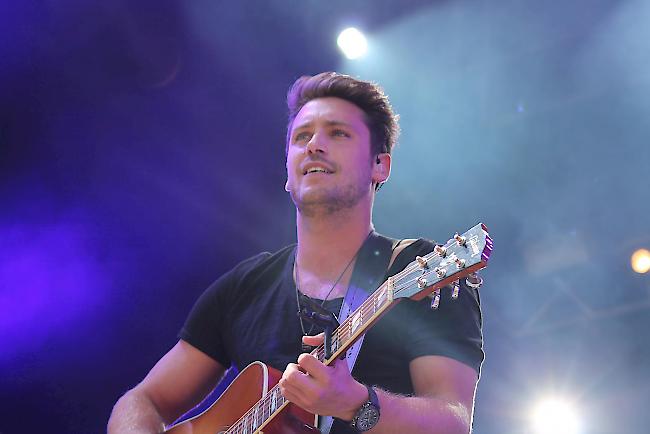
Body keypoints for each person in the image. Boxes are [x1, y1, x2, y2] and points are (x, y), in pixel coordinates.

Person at [107, 72, 484, 434]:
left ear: (379, 165)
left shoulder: (418, 269)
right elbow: (143, 401)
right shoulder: (245, 288)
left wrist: (357, 404)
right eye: (302, 136)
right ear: (288, 172)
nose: (314, 145)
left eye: (337, 133)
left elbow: (453, 422)